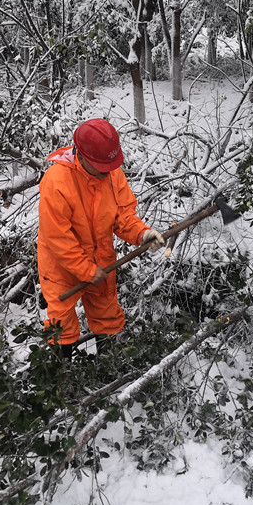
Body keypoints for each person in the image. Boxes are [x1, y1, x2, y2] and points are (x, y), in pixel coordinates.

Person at [37, 118, 165, 358]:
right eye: (101, 166)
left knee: (107, 317)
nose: (107, 172)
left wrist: (142, 233)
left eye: (109, 165)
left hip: (102, 261)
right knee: (61, 326)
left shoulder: (112, 174)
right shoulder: (56, 182)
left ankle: (107, 367)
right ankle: (62, 373)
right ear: (82, 156)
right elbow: (58, 238)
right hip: (61, 266)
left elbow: (123, 215)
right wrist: (85, 269)